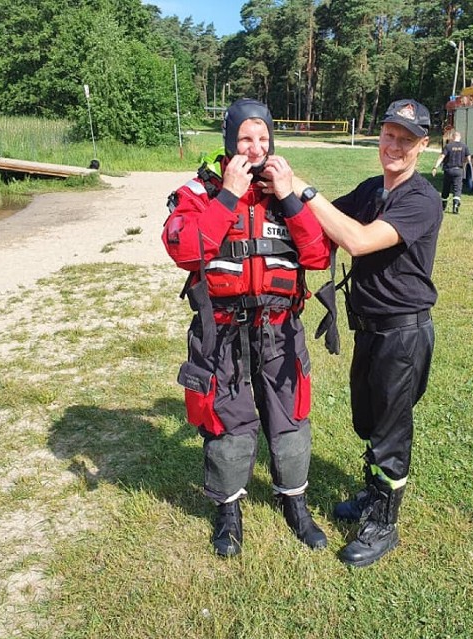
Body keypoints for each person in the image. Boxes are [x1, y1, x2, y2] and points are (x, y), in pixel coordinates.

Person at [162, 98, 333, 557]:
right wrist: (229, 196)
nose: (255, 148)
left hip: (280, 330)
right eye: (245, 139)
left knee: (290, 418)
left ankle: (294, 503)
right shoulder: (200, 192)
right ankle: (228, 511)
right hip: (222, 333)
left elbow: (318, 257)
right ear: (228, 142)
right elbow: (185, 250)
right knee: (228, 423)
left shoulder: (287, 192)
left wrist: (289, 197)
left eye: (262, 139)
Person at [289, 99, 443, 567]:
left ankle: (383, 523)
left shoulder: (421, 198)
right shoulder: (372, 189)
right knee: (370, 422)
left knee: (391, 434)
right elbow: (322, 225)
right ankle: (372, 492)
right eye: (389, 135)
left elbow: (356, 239)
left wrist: (304, 187)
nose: (394, 145)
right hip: (370, 329)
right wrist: (277, 196)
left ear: (423, 146)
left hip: (403, 335)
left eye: (406, 138)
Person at [432, 130, 471, 214]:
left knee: (446, 188)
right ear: (459, 137)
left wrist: (435, 167)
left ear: (452, 137)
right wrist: (465, 165)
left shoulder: (448, 146)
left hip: (449, 170)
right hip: (458, 170)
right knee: (457, 189)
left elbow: (442, 157)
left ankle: (443, 206)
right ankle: (456, 206)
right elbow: (468, 158)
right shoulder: (464, 146)